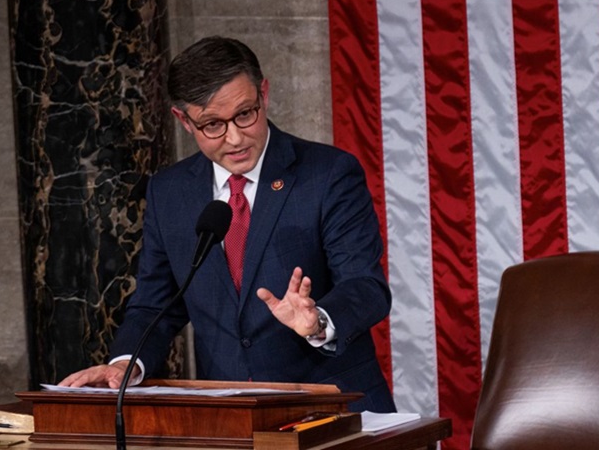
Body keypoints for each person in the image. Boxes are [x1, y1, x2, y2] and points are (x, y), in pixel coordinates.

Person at [60, 36, 396, 413]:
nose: (235, 138)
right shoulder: (169, 192)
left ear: (263, 93)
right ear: (183, 121)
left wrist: (317, 321)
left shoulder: (328, 174)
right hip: (230, 418)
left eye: (245, 114)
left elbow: (365, 286)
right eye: (212, 125)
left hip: (333, 407)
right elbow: (156, 304)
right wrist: (124, 365)